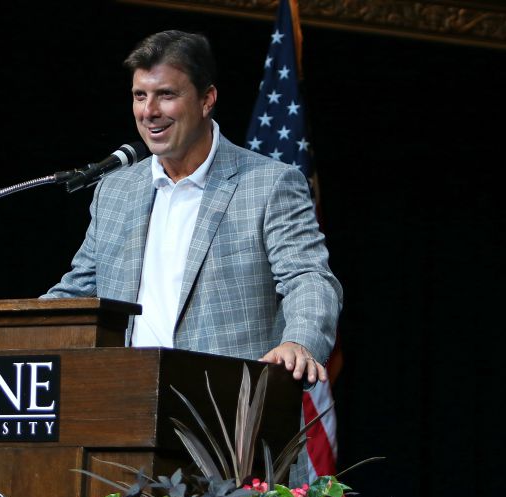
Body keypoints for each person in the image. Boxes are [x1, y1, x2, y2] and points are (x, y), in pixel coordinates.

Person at [43, 30, 341, 386]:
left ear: (206, 99)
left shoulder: (268, 184)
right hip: (126, 403)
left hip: (226, 411)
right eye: (140, 96)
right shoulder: (115, 190)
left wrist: (299, 341)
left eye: (166, 95)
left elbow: (308, 277)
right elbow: (79, 292)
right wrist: (11, 334)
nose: (149, 112)